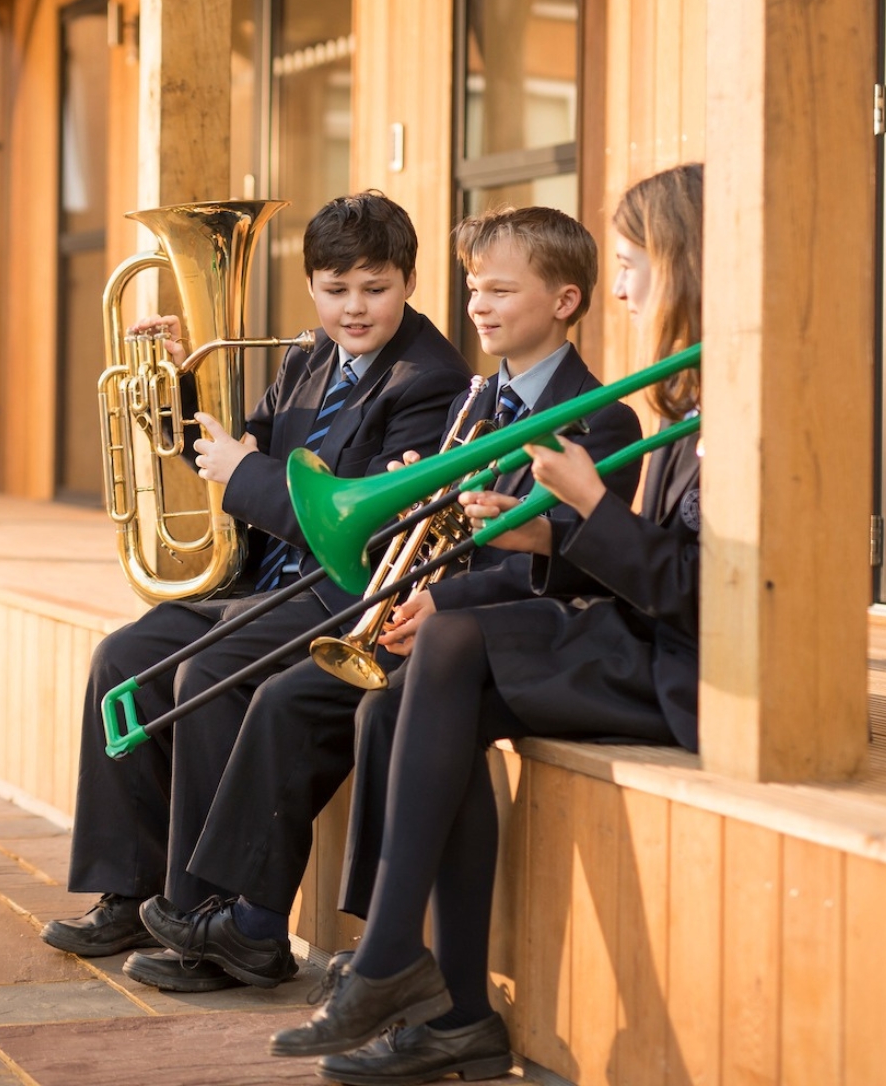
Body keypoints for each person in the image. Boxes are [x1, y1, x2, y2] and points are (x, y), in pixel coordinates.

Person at [129, 205, 642, 993]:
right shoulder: (478, 398)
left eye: (499, 292)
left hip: (484, 630)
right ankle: (255, 924)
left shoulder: (601, 417)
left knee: (295, 699)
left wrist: (444, 594)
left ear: (564, 302)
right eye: (475, 289)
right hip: (416, 614)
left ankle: (304, 934)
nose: (477, 307)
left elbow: (572, 561)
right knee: (272, 690)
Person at [268, 162, 703, 1085]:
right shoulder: (687, 398)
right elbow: (643, 557)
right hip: (632, 633)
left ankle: (397, 965)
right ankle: (448, 1004)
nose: (624, 285)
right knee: (401, 698)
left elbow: (696, 587)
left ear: (683, 268)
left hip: (678, 669)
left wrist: (586, 504)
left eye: (634, 263)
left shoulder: (706, 415)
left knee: (450, 650)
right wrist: (553, 525)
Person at [41, 191, 472, 985]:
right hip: (263, 580)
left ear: (409, 281)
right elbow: (249, 452)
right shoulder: (311, 354)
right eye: (335, 288)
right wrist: (175, 388)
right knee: (123, 661)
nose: (354, 309)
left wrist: (248, 475)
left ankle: (210, 923)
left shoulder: (431, 379)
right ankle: (132, 890)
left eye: (374, 288)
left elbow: (372, 533)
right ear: (310, 283)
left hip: (343, 595)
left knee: (209, 676)